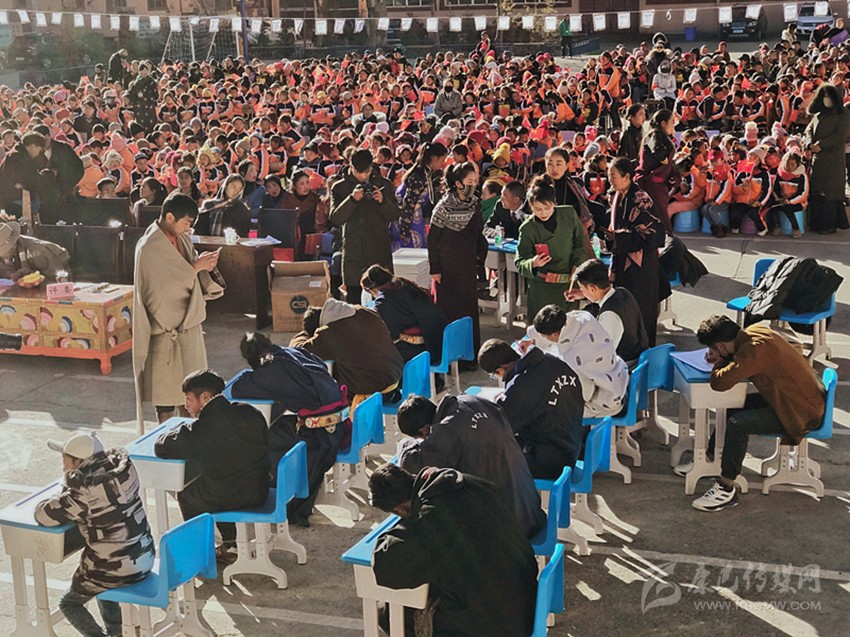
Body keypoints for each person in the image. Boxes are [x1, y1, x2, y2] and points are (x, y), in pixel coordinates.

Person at [368, 464, 538, 637]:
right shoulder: (471, 484)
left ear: (400, 510)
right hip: (527, 600)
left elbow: (385, 565)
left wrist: (403, 527)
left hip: (496, 624)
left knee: (387, 613)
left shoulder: (432, 519)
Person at [687, 315, 826, 512]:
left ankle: (726, 487)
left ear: (720, 346)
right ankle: (710, 459)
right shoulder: (755, 333)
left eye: (713, 349)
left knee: (738, 423)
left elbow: (719, 383)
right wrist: (725, 357)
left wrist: (720, 361)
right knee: (732, 406)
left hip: (800, 412)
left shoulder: (752, 351)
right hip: (796, 399)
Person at [35, 432, 155, 637]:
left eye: (65, 458)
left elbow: (43, 515)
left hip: (115, 570)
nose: (62, 464)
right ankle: (116, 633)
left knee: (69, 604)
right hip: (144, 557)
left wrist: (68, 484)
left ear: (78, 462)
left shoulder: (83, 493)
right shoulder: (125, 472)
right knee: (102, 587)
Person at [230, 332, 348, 527]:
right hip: (337, 424)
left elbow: (238, 389)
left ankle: (273, 498)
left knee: (260, 441)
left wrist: (251, 374)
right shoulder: (295, 352)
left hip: (320, 435)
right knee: (279, 426)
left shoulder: (270, 371)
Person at [154, 370, 269, 562]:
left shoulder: (203, 429)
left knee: (188, 494)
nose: (186, 405)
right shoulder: (249, 412)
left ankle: (200, 553)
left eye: (189, 399)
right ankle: (230, 544)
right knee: (217, 481)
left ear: (205, 397)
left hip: (236, 495)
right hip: (261, 487)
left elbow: (162, 447)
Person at [396, 394, 547, 539]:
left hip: (509, 532)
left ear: (425, 429)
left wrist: (405, 443)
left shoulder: (447, 430)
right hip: (531, 512)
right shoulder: (474, 401)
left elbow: (411, 464)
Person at [133, 193, 224, 426]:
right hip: (164, 327)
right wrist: (195, 268)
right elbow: (157, 290)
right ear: (170, 217)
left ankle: (192, 435)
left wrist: (202, 265)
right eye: (186, 222)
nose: (188, 227)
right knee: (165, 396)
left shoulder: (181, 238)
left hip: (189, 323)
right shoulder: (149, 246)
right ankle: (165, 437)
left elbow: (186, 270)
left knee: (194, 393)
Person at [478, 339, 584, 479]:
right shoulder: (552, 362)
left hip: (552, 461)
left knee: (483, 455)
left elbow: (500, 426)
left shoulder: (523, 387)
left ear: (500, 369)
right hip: (571, 446)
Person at [290, 298, 404, 407]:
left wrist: (305, 334)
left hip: (373, 390)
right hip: (395, 380)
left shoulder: (330, 332)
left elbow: (299, 351)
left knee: (327, 381)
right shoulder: (365, 312)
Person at [526, 304, 628, 418]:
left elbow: (585, 395)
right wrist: (532, 341)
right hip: (618, 377)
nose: (543, 338)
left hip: (605, 401)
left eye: (544, 336)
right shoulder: (582, 317)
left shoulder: (575, 359)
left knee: (549, 411)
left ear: (555, 335)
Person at [428, 161, 488, 356]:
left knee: (468, 310)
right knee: (448, 311)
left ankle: (469, 356)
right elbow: (432, 240)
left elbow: (478, 234)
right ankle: (449, 356)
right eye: (469, 181)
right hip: (446, 268)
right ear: (458, 183)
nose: (473, 185)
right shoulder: (443, 207)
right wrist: (435, 269)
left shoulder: (475, 204)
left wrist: (480, 259)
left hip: (467, 266)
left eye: (475, 181)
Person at [605, 156, 665, 347]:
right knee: (624, 309)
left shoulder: (640, 198)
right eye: (609, 176)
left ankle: (643, 350)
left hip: (641, 266)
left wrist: (620, 237)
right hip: (622, 260)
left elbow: (656, 233)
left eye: (613, 176)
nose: (610, 180)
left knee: (640, 311)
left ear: (627, 177)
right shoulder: (617, 195)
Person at [328, 149, 400, 303]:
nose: (363, 176)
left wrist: (383, 201)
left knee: (384, 301)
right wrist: (352, 200)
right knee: (355, 303)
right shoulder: (340, 187)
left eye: (366, 172)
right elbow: (335, 218)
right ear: (350, 167)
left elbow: (394, 215)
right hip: (354, 252)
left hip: (379, 249)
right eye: (358, 172)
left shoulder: (384, 184)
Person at [515, 175, 591, 321]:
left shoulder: (568, 214)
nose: (543, 213)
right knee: (542, 328)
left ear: (554, 203)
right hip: (542, 287)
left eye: (547, 208)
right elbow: (520, 262)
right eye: (537, 209)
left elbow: (580, 242)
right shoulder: (527, 228)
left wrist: (577, 264)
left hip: (568, 285)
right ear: (530, 206)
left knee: (568, 327)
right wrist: (533, 263)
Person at [361, 263, 447, 365]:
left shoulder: (385, 300)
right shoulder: (404, 284)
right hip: (439, 339)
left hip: (423, 348)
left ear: (373, 289)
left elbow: (390, 332)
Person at [572, 258, 649, 364]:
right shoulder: (624, 292)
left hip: (628, 365)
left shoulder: (609, 315)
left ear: (592, 288)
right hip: (642, 357)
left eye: (582, 290)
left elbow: (604, 354)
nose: (582, 293)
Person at [804, 83, 850, 234]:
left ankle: (829, 226)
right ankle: (816, 224)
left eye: (829, 96)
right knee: (817, 192)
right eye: (824, 96)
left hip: (833, 159)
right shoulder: (818, 113)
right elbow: (809, 130)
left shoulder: (843, 114)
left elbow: (840, 135)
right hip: (817, 160)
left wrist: (821, 144)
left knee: (829, 193)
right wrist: (809, 144)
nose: (826, 99)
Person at [394, 141, 447, 249]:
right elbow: (408, 203)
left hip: (416, 218)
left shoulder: (425, 173)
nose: (443, 163)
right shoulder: (418, 177)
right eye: (442, 160)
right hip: (409, 221)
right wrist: (404, 230)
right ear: (434, 158)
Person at [635, 109, 678, 233]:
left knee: (658, 218)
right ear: (663, 123)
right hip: (651, 184)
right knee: (659, 219)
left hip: (658, 184)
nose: (673, 126)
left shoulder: (662, 136)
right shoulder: (654, 135)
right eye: (671, 122)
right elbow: (658, 151)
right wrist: (665, 161)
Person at [280, 169, 329, 258]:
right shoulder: (288, 199)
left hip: (310, 237)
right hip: (292, 237)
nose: (306, 186)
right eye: (302, 184)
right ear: (294, 186)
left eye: (307, 182)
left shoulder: (315, 199)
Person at [0, 220, 70, 281]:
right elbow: (6, 272)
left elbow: (57, 278)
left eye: (3, 252)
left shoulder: (38, 251)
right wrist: (13, 275)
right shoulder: (9, 253)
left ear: (14, 246)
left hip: (56, 276)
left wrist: (31, 275)